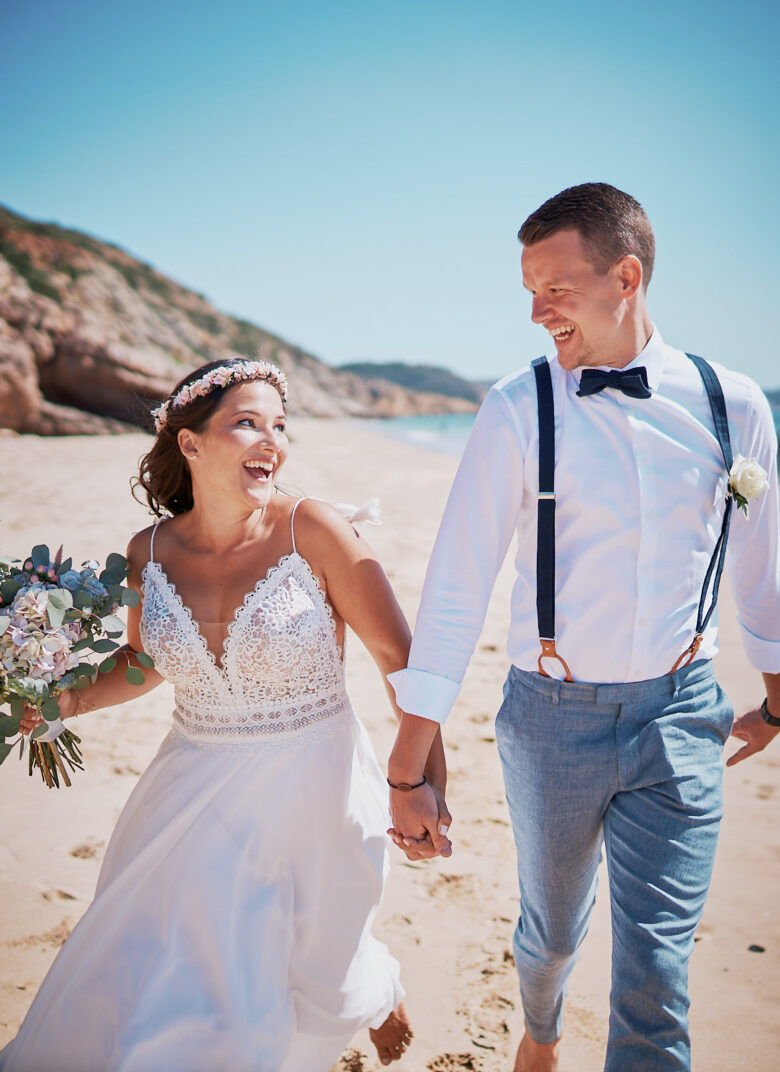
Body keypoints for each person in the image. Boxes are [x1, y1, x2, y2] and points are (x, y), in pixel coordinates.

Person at [384, 183, 780, 1071]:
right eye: (530, 292)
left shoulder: (734, 405)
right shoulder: (517, 406)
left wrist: (778, 699)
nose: (537, 313)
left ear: (625, 278)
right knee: (553, 935)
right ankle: (541, 1028)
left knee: (658, 968)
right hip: (550, 720)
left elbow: (761, 566)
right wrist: (408, 766)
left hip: (683, 713)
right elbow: (456, 587)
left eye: (555, 290)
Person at [1, 356, 449, 1072]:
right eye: (247, 423)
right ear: (191, 442)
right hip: (191, 793)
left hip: (316, 789)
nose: (272, 442)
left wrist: (424, 784)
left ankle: (376, 988)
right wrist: (67, 697)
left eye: (280, 426)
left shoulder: (313, 529)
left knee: (317, 960)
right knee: (187, 986)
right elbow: (144, 661)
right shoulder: (147, 552)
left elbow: (402, 665)